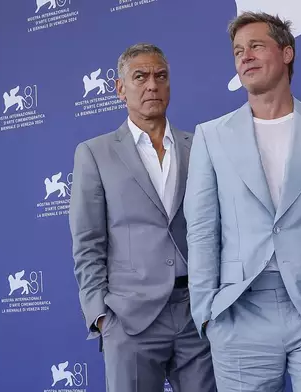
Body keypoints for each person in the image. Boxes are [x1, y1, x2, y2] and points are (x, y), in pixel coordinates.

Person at [184, 12, 301, 392]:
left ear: (287, 53)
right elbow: (202, 229)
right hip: (239, 313)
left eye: (256, 46)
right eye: (238, 51)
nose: (245, 57)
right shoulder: (211, 136)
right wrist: (206, 312)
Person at [68, 43, 216, 392]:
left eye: (160, 76)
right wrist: (101, 316)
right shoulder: (94, 153)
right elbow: (87, 241)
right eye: (140, 77)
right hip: (130, 318)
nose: (152, 85)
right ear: (120, 89)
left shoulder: (201, 146)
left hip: (196, 314)